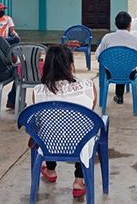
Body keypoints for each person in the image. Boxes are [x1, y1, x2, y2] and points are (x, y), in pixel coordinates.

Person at [32, 45, 97, 199]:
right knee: (81, 129)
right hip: (80, 144)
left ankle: (50, 169)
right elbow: (89, 112)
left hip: (49, 145)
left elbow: (40, 121)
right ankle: (79, 182)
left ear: (47, 66)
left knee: (49, 128)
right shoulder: (87, 86)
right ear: (70, 65)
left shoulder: (38, 91)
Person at [95, 11, 137, 105]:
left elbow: (97, 56)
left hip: (110, 73)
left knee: (117, 66)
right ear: (129, 24)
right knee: (126, 67)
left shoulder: (107, 38)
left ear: (115, 24)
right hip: (130, 74)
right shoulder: (136, 39)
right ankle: (136, 101)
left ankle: (113, 98)